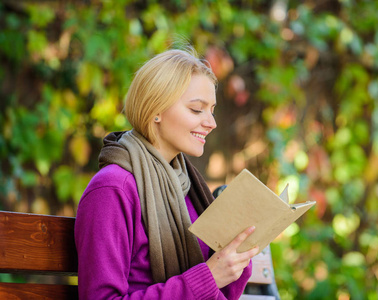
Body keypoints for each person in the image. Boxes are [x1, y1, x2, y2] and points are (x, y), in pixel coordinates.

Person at [74, 48, 259, 300]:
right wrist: (208, 277)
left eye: (212, 110)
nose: (212, 123)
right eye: (197, 109)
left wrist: (238, 253)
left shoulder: (189, 188)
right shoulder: (113, 189)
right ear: (156, 110)